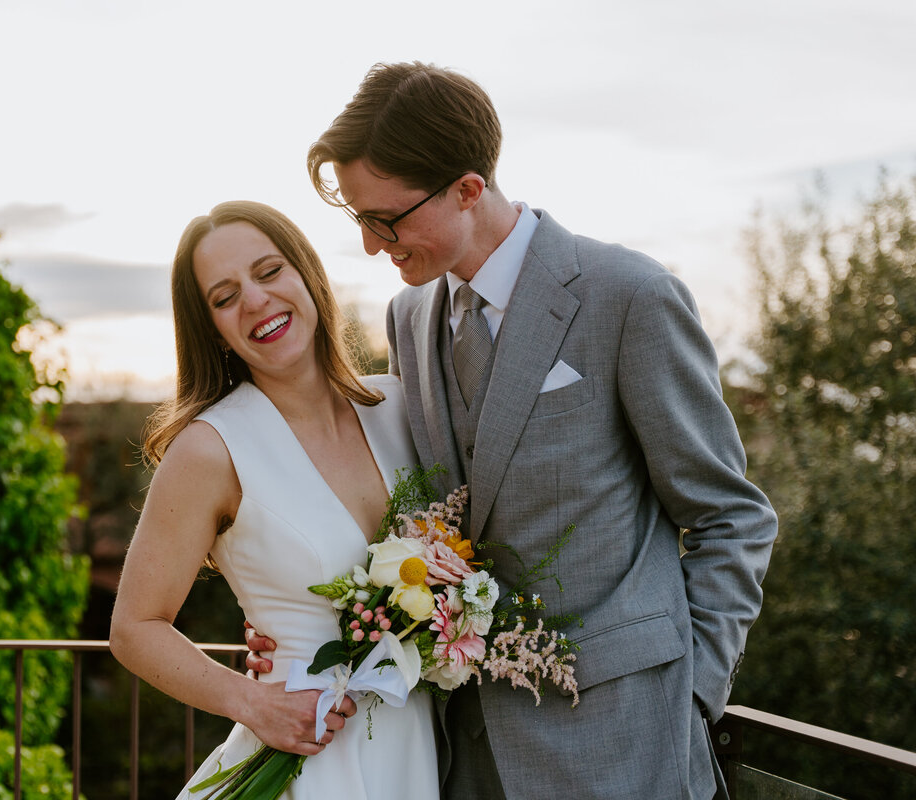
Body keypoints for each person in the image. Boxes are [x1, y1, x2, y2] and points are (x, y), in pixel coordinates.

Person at [247, 62, 778, 799]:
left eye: (387, 220)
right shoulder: (408, 318)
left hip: (626, 748)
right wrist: (299, 629)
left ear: (468, 189)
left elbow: (731, 517)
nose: (372, 245)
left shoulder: (629, 296)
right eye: (360, 221)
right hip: (463, 755)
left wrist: (688, 698)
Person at [109, 200, 439, 799]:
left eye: (268, 272)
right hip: (308, 755)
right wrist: (254, 702)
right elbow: (134, 628)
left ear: (307, 274)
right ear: (212, 327)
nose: (256, 301)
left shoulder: (402, 408)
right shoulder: (210, 450)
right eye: (225, 296)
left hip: (419, 744)